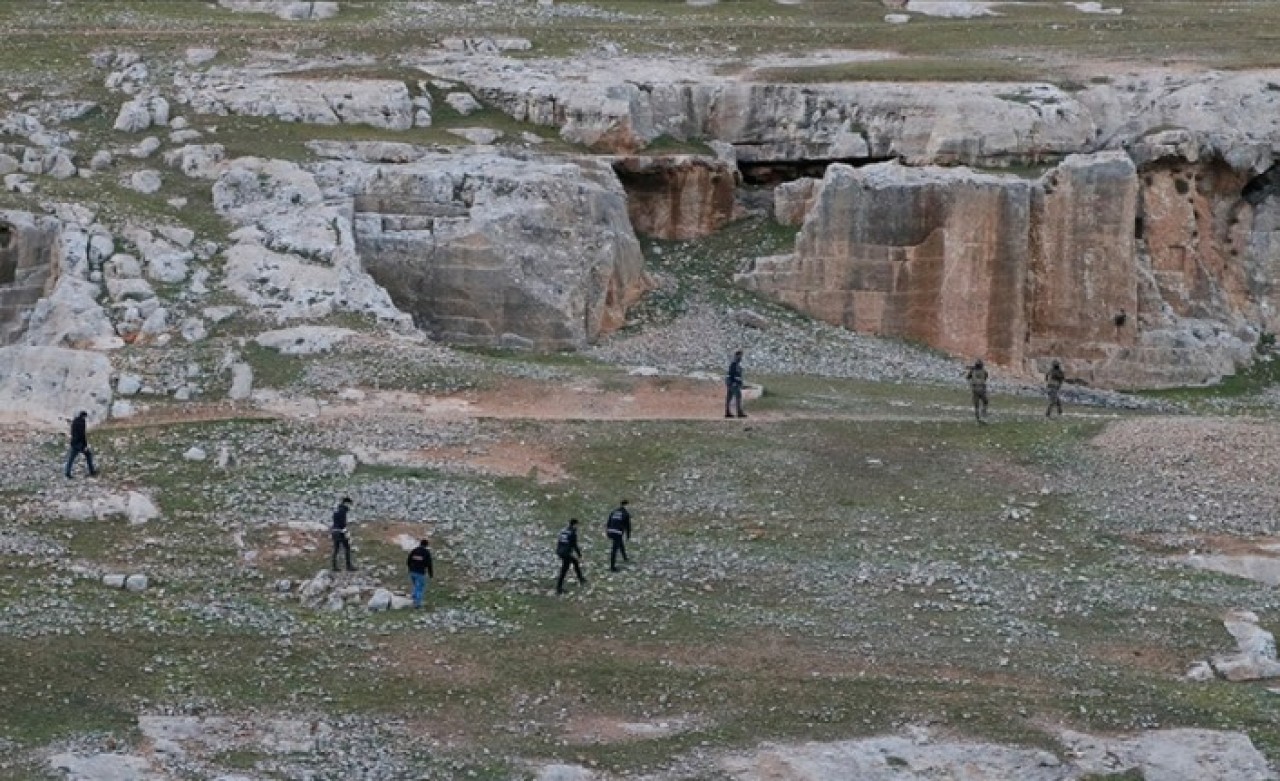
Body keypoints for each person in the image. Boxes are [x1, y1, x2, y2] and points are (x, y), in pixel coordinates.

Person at [555, 518, 586, 595]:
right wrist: (580, 555)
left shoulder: (563, 531)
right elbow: (574, 545)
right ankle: (559, 588)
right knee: (564, 570)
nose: (578, 527)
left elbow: (559, 541)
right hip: (566, 553)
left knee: (575, 562)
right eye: (577, 525)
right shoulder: (572, 533)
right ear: (574, 525)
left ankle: (581, 579)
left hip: (560, 551)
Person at [64, 410, 97, 478]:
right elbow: (82, 434)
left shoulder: (75, 421)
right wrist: (85, 445)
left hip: (74, 442)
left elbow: (72, 432)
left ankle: (67, 472)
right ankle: (92, 471)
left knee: (71, 458)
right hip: (80, 443)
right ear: (84, 416)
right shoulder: (82, 422)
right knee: (88, 455)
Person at [330, 496, 356, 572]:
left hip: (334, 531)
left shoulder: (336, 510)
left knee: (336, 549)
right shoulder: (343, 511)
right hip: (340, 532)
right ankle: (349, 566)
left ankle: (334, 566)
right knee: (347, 548)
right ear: (346, 503)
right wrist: (346, 532)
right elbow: (342, 523)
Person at [406, 538, 434, 608]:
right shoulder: (426, 553)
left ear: (420, 543)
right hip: (420, 573)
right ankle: (417, 604)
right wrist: (431, 574)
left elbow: (408, 560)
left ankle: (414, 598)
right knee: (420, 588)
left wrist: (410, 568)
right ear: (426, 545)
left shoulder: (414, 550)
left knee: (416, 585)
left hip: (412, 572)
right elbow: (429, 564)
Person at [605, 500, 632, 572]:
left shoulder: (614, 512)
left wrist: (607, 532)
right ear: (626, 505)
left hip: (610, 531)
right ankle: (612, 567)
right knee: (614, 549)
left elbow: (608, 522)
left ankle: (625, 557)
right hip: (617, 532)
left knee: (620, 542)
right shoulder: (626, 513)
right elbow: (628, 526)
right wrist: (628, 535)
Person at [965, 359, 989, 424]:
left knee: (976, 405)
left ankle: (978, 419)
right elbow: (985, 378)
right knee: (985, 402)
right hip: (982, 389)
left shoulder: (972, 371)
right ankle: (983, 415)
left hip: (975, 389)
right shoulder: (984, 371)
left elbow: (967, 377)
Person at [725, 349, 746, 418]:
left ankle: (727, 412)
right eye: (740, 355)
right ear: (737, 355)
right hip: (734, 384)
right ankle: (739, 412)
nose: (741, 357)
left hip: (731, 383)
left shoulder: (735, 364)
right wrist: (735, 382)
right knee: (738, 397)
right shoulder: (734, 364)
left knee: (729, 398)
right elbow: (733, 375)